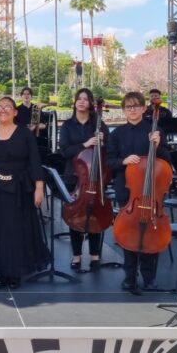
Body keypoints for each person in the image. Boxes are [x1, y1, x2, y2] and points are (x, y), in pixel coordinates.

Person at [0, 96, 48, 289]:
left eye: (8, 107)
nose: (3, 109)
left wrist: (39, 188)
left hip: (19, 189)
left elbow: (35, 163)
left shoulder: (25, 134)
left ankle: (14, 272)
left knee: (15, 230)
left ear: (15, 112)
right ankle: (2, 270)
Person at [106, 91, 171, 294]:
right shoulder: (116, 134)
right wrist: (123, 161)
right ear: (124, 110)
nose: (132, 110)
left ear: (144, 108)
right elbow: (108, 161)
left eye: (136, 106)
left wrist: (158, 146)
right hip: (126, 189)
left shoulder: (155, 131)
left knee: (152, 230)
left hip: (152, 192)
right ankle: (129, 277)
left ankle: (149, 278)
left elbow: (167, 159)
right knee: (129, 232)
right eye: (128, 107)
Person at [58, 88, 109, 272]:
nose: (81, 102)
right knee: (76, 217)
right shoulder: (67, 126)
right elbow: (64, 151)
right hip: (75, 176)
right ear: (74, 102)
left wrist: (103, 141)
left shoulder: (98, 124)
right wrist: (84, 145)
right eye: (79, 99)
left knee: (96, 214)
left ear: (90, 103)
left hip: (96, 177)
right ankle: (76, 255)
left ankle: (95, 256)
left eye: (85, 99)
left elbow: (109, 149)